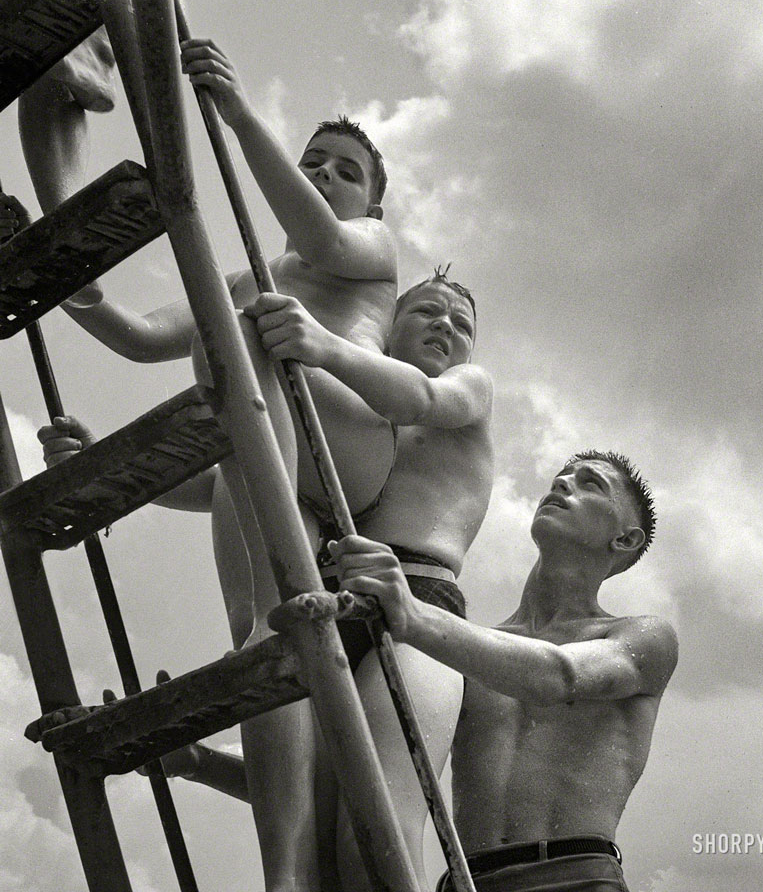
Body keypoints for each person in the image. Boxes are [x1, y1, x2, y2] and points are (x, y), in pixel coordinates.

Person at [23, 36, 398, 892]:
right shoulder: (251, 276)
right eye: (317, 163)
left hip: (348, 438)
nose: (328, 177)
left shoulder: (371, 249)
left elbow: (321, 234)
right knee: (263, 641)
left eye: (346, 170)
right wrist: (115, 468)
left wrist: (234, 110)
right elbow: (135, 334)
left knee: (251, 333)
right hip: (270, 449)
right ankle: (286, 874)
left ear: (372, 201)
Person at [38, 266, 494, 891]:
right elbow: (244, 475)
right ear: (387, 329)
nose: (444, 325)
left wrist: (320, 345)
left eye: (460, 324)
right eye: (425, 312)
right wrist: (114, 474)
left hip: (419, 606)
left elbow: (426, 397)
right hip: (334, 598)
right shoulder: (362, 420)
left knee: (378, 830)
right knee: (318, 821)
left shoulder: (465, 392)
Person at [157, 452, 676, 891]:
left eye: (591, 484)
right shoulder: (466, 657)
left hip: (575, 878)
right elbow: (357, 784)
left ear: (625, 541)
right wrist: (198, 762)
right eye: (563, 475)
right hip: (465, 880)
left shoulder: (641, 637)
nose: (564, 482)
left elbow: (560, 676)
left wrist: (415, 613)